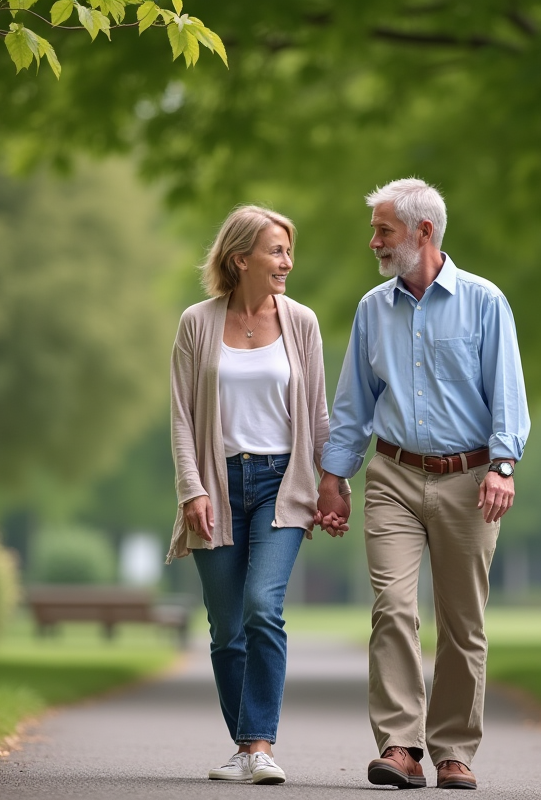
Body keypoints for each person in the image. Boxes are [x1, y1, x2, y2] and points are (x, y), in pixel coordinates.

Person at [316, 178, 530, 791]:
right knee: (392, 608)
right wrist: (334, 477)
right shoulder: (370, 309)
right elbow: (353, 403)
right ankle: (400, 745)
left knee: (463, 621)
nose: (373, 242)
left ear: (423, 232)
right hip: (393, 476)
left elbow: (508, 396)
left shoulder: (486, 302)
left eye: (383, 230)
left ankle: (455, 751)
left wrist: (503, 465)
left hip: (469, 479)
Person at [167, 205, 350, 785]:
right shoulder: (197, 322)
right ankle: (245, 747)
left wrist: (332, 483)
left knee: (262, 607)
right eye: (276, 251)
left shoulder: (302, 322)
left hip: (282, 482)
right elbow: (179, 417)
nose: (287, 262)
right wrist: (191, 489)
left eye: (288, 251)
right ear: (239, 257)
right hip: (217, 485)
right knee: (226, 628)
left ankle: (259, 744)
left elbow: (318, 413)